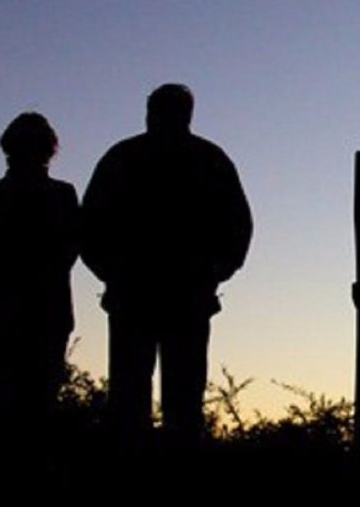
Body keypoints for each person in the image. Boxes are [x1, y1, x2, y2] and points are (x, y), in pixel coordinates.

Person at [80, 84, 252, 443]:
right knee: (175, 402)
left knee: (151, 401)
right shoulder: (208, 159)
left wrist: (113, 275)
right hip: (164, 296)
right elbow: (238, 225)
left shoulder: (124, 157)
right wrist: (216, 273)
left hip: (154, 296)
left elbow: (89, 226)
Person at [0, 112, 79, 444]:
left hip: (7, 319)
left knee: (4, 418)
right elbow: (70, 249)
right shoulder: (61, 196)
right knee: (33, 417)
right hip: (37, 317)